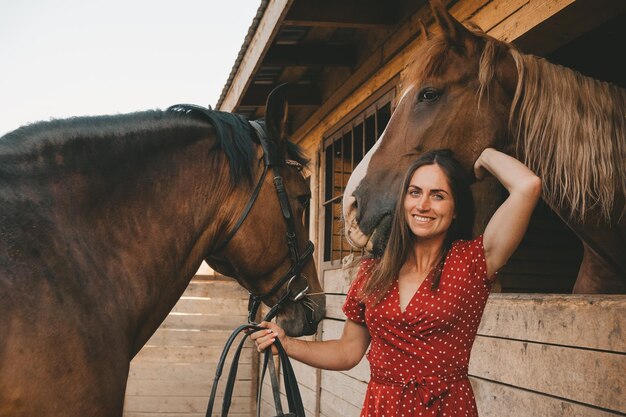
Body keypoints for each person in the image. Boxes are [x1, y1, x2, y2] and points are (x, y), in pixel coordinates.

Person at [251, 148, 542, 416]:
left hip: (446, 408)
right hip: (382, 407)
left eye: (438, 195)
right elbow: (347, 352)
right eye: (415, 192)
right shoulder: (373, 272)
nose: (423, 205)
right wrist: (288, 344)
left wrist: (482, 156)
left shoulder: (473, 261)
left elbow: (527, 186)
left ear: (456, 210)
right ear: (403, 200)